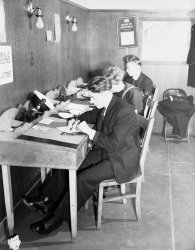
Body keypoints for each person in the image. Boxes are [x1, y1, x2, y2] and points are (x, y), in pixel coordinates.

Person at [22, 76, 140, 235]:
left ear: (105, 92)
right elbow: (93, 115)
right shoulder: (108, 103)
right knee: (70, 162)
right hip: (106, 152)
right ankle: (46, 199)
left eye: (93, 96)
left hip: (121, 160)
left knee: (83, 178)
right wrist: (75, 120)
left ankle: (57, 219)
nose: (91, 99)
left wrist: (89, 132)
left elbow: (114, 144)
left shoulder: (123, 111)